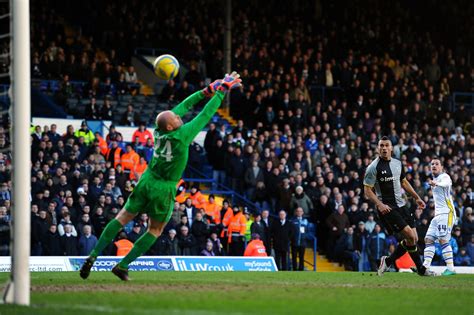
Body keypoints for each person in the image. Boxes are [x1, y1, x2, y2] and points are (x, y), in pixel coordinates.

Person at [80, 72, 242, 280]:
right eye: (175, 118)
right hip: (164, 187)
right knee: (155, 230)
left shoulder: (158, 131)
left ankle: (93, 256)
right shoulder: (182, 135)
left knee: (122, 217)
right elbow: (204, 116)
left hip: (147, 179)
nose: (178, 116)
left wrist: (204, 92)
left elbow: (183, 106)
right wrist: (220, 92)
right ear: (170, 126)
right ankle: (123, 265)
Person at [364, 136, 434, 276]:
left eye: (386, 145)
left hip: (402, 205)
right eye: (381, 145)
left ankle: (388, 261)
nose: (384, 148)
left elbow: (404, 182)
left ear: (391, 148)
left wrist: (417, 198)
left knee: (413, 238)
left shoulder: (397, 163)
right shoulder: (373, 167)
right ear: (378, 148)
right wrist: (379, 204)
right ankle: (421, 269)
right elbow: (367, 190)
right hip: (387, 208)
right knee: (408, 234)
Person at [422, 158, 457, 276]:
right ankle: (425, 267)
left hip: (447, 213)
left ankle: (451, 269)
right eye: (432, 164)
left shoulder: (444, 177)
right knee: (428, 239)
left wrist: (436, 183)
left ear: (441, 167)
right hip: (437, 215)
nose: (434, 166)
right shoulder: (434, 180)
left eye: (437, 164)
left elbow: (446, 184)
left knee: (443, 240)